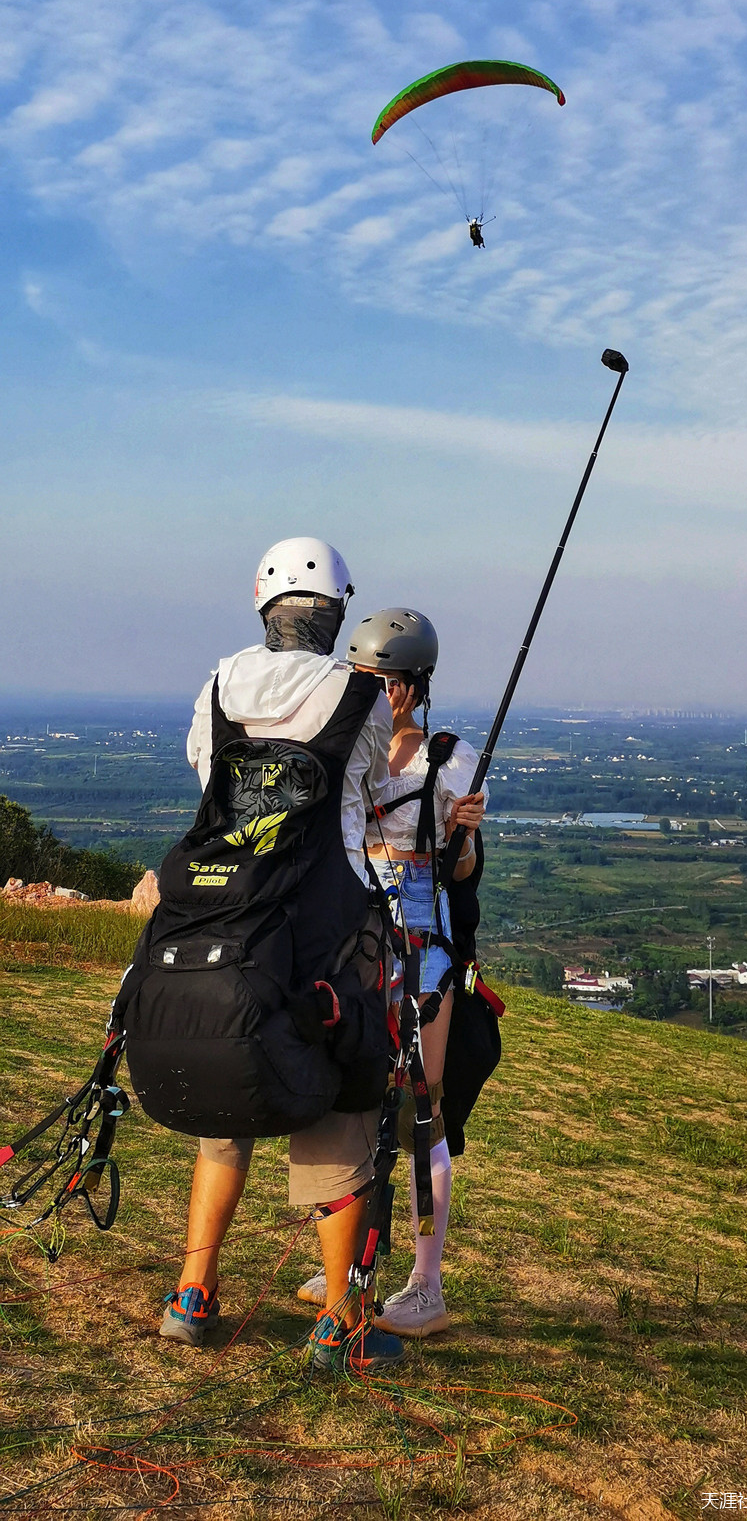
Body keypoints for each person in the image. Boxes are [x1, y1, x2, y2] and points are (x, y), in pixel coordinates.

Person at [159, 540, 406, 1375]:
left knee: (227, 1114)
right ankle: (341, 1322)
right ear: (337, 613)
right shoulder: (360, 697)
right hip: (324, 941)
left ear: (264, 608)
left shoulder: (218, 688)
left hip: (225, 926)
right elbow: (366, 787)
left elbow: (207, 776)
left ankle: (193, 1295)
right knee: (340, 1122)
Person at [298, 609, 486, 1337]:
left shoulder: (449, 760)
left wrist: (464, 834)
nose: (372, 692)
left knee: (421, 1106)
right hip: (358, 929)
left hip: (419, 933)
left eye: (382, 682)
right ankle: (352, 1267)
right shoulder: (354, 750)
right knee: (360, 1099)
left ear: (410, 687)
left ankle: (426, 1282)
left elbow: (461, 870)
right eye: (365, 679)